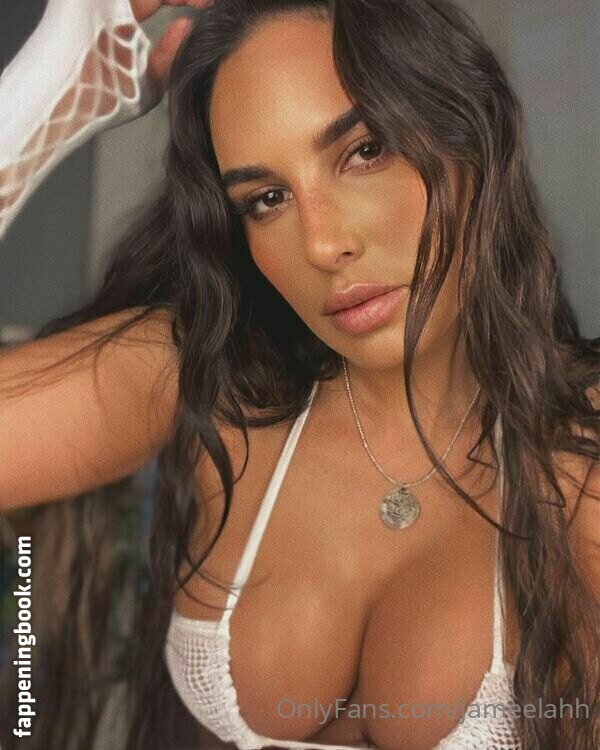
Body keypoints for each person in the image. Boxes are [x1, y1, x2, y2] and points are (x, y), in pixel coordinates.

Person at [0, 1, 598, 749]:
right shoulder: (214, 388)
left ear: (468, 135)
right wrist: (47, 97)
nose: (321, 244)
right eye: (268, 199)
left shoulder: (579, 463)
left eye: (364, 151)